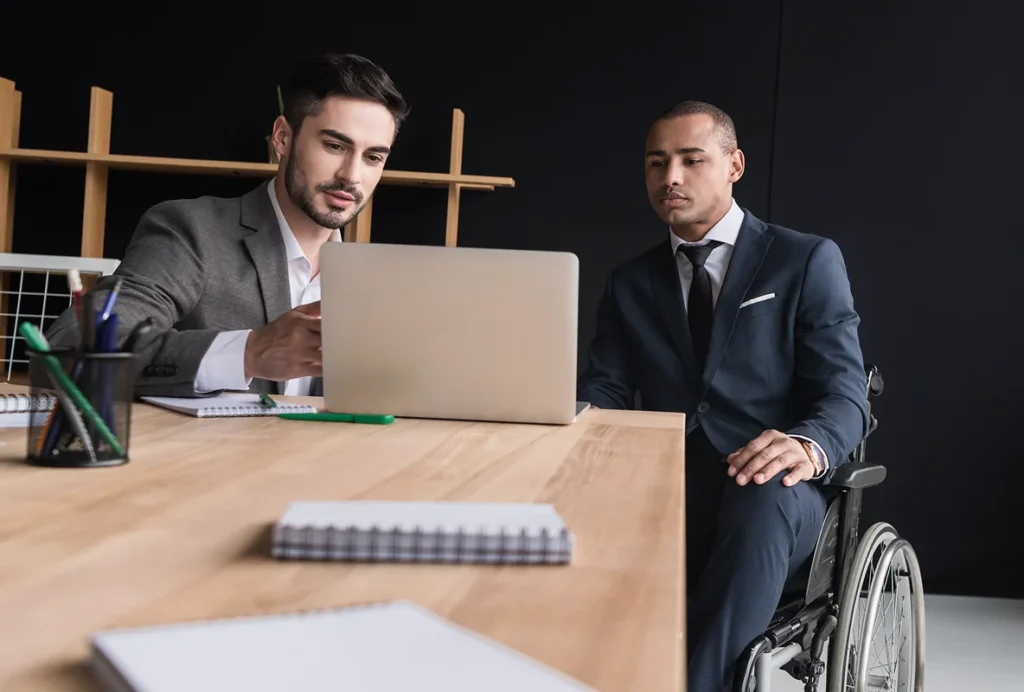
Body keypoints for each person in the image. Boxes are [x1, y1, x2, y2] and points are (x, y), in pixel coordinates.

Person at [576, 101, 869, 692]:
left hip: (777, 499)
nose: (671, 178)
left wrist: (806, 446)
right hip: (667, 486)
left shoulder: (804, 259)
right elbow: (605, 390)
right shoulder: (631, 281)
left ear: (734, 165)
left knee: (758, 496)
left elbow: (845, 393)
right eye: (657, 163)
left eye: (691, 159)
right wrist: (570, 424)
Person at [45, 53, 409, 398]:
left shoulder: (376, 281)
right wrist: (249, 353)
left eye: (373, 157)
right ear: (283, 137)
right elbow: (71, 348)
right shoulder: (192, 231)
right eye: (334, 146)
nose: (352, 176)